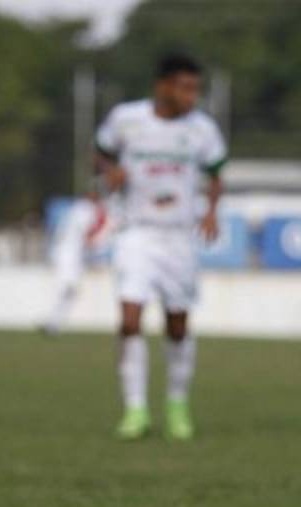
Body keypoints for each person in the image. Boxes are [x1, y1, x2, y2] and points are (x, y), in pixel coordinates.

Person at [94, 53, 226, 441]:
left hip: (179, 236)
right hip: (137, 232)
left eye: (196, 89)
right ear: (163, 86)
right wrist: (109, 172)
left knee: (177, 325)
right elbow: (100, 153)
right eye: (185, 87)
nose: (192, 96)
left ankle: (176, 403)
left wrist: (212, 211)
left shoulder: (202, 129)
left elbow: (216, 173)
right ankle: (135, 410)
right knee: (130, 319)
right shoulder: (127, 119)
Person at [39, 191, 114, 335]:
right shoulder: (85, 210)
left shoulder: (77, 209)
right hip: (68, 255)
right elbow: (88, 235)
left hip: (69, 254)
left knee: (70, 291)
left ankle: (53, 322)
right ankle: (52, 322)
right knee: (67, 288)